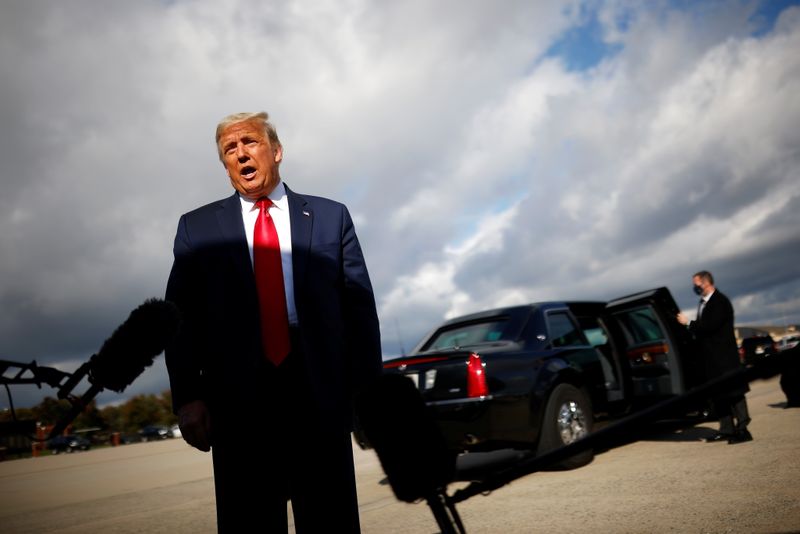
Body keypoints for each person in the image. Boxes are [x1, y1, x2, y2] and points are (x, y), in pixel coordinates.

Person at [164, 111, 382, 532]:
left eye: (250, 142)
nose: (241, 153)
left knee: (330, 518)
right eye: (230, 149)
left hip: (318, 391)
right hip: (238, 402)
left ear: (276, 151)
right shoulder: (197, 228)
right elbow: (180, 320)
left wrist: (367, 393)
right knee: (249, 520)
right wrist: (188, 397)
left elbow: (359, 310)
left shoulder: (330, 216)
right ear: (225, 165)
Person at [677, 271, 752, 445]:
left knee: (735, 394)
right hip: (712, 360)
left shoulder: (720, 301)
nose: (694, 287)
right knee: (719, 396)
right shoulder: (703, 303)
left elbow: (710, 327)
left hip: (725, 358)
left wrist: (688, 323)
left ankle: (743, 429)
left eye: (696, 283)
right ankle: (726, 429)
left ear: (705, 282)